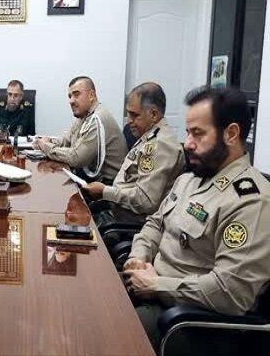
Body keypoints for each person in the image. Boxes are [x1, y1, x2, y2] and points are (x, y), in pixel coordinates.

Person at [123, 87, 270, 350]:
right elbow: (155, 223)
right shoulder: (190, 179)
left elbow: (230, 292)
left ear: (231, 134)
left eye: (198, 133)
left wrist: (157, 285)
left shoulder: (251, 200)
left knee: (101, 333)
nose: (188, 143)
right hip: (149, 288)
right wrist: (138, 256)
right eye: (188, 132)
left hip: (186, 322)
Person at [83, 82, 185, 225]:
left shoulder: (161, 145)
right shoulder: (148, 135)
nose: (129, 121)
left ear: (153, 114)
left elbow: (145, 201)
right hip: (118, 211)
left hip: (131, 223)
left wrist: (105, 191)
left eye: (134, 115)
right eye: (128, 114)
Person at [35, 76, 127, 184]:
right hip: (91, 178)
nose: (71, 101)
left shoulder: (98, 119)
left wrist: (47, 147)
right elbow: (66, 141)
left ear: (91, 95)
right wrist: (43, 142)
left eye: (76, 94)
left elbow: (76, 158)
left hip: (107, 185)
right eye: (70, 96)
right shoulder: (84, 115)